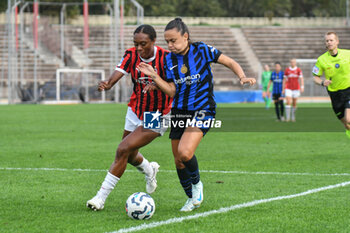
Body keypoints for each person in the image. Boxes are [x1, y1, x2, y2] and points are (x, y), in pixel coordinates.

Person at [137, 18, 256, 212]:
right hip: (179, 111)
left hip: (203, 109)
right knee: (178, 160)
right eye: (167, 41)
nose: (170, 45)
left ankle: (197, 185)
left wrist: (241, 76)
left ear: (185, 36)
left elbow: (229, 61)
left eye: (173, 40)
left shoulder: (202, 50)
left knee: (185, 152)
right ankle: (191, 198)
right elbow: (172, 91)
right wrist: (155, 78)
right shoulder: (168, 60)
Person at [86, 25, 172, 211]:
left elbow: (174, 87)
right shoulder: (131, 54)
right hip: (135, 109)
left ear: (153, 41)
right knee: (130, 154)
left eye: (143, 44)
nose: (139, 48)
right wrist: (108, 84)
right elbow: (118, 72)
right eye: (136, 44)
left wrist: (157, 85)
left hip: (157, 114)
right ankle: (150, 170)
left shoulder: (166, 58)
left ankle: (100, 199)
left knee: (122, 149)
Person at [313, 31, 350, 139]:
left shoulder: (347, 54)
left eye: (331, 40)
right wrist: (322, 82)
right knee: (346, 124)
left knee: (348, 119)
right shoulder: (321, 59)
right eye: (327, 41)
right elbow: (315, 77)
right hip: (334, 95)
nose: (329, 42)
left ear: (337, 42)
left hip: (348, 90)